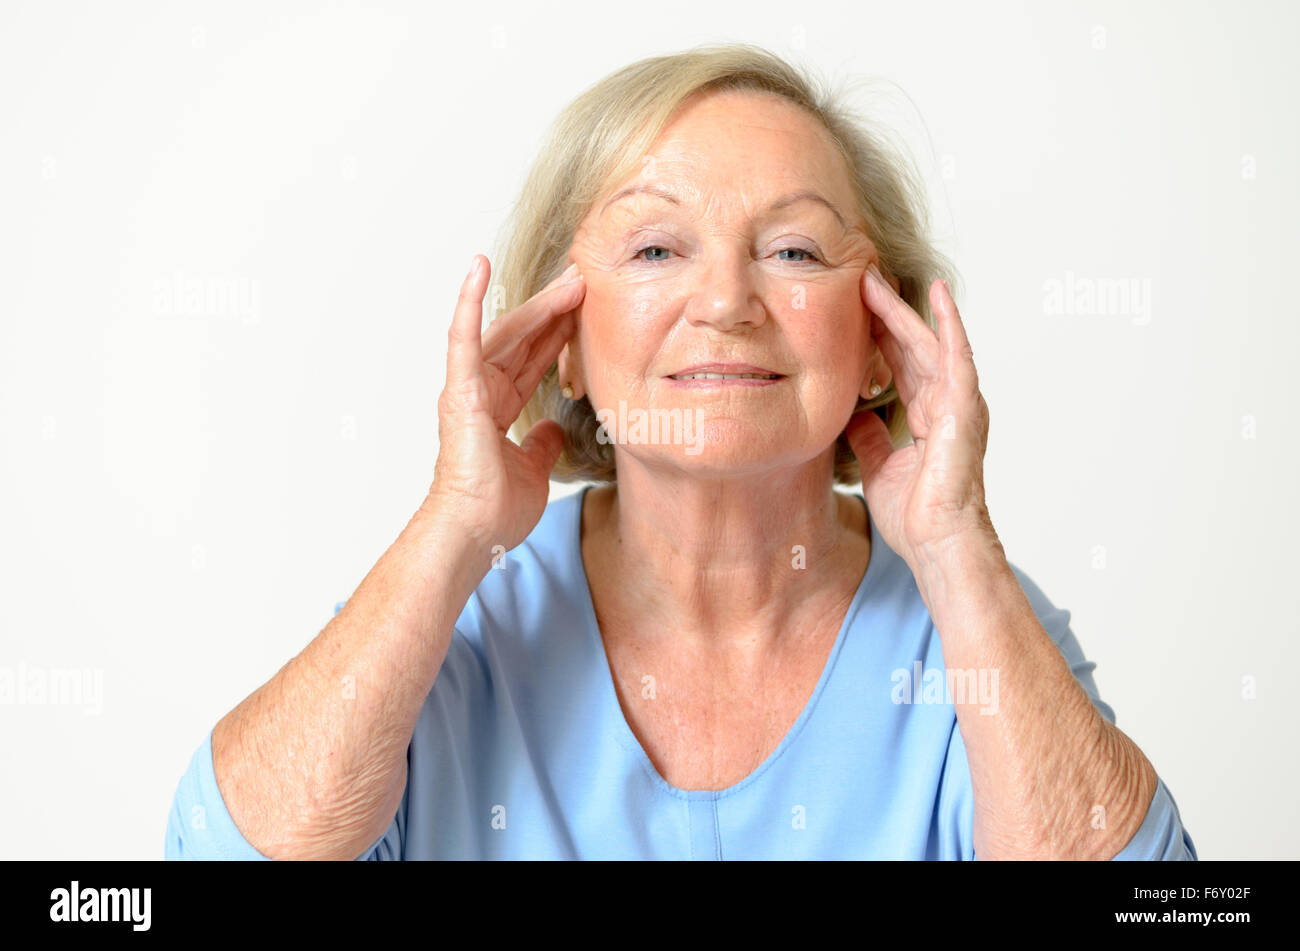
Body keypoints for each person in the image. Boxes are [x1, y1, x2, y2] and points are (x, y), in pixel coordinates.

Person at [165, 43, 1196, 860]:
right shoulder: (453, 624)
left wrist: (958, 548)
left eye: (792, 251)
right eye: (656, 249)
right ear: (559, 341)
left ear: (881, 336)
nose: (723, 304)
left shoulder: (970, 629)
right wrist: (451, 527)